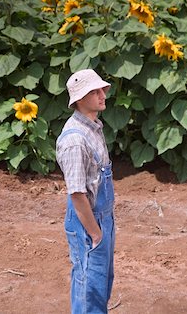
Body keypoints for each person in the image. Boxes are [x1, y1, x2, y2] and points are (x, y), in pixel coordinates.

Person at [56, 69, 115, 314]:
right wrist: (96, 233)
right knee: (88, 287)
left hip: (102, 218)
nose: (103, 95)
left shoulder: (93, 127)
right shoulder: (74, 140)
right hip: (88, 222)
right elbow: (77, 195)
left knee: (101, 283)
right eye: (95, 91)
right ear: (80, 99)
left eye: (102, 89)